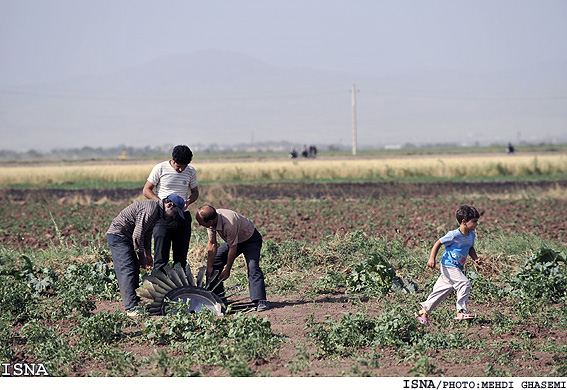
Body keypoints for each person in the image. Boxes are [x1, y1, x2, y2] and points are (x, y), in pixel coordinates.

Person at [107, 194, 186, 316]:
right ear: (169, 205)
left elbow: (147, 234)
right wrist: (142, 257)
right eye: (174, 213)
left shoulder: (157, 214)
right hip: (118, 236)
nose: (173, 217)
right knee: (127, 268)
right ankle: (131, 307)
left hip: (126, 237)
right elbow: (137, 236)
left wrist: (148, 255)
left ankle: (135, 301)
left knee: (133, 267)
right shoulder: (150, 210)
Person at [195, 205, 269, 311]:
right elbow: (212, 243)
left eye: (201, 222)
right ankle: (218, 298)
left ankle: (260, 300)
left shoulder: (229, 223)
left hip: (251, 240)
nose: (199, 224)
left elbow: (233, 248)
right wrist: (210, 266)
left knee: (253, 267)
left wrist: (227, 270)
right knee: (215, 263)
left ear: (210, 221)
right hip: (234, 241)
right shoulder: (211, 221)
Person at [415, 205, 481, 325]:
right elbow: (438, 243)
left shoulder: (471, 235)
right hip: (449, 266)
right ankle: (461, 311)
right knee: (464, 283)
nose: (477, 224)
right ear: (464, 222)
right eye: (474, 221)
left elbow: (470, 247)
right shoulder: (454, 235)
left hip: (457, 268)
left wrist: (475, 258)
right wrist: (431, 258)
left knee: (441, 292)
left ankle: (423, 312)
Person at [143, 145, 199, 273]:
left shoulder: (190, 171)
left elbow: (195, 192)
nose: (181, 170)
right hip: (163, 218)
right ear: (172, 159)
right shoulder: (160, 168)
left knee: (181, 258)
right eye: (178, 166)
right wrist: (161, 204)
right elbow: (146, 190)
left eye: (184, 167)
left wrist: (189, 201)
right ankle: (159, 288)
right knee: (161, 258)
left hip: (182, 216)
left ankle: (179, 289)